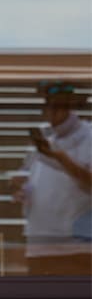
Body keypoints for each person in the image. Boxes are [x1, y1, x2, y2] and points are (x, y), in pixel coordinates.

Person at [12, 80, 92, 275]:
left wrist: (60, 158)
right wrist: (19, 188)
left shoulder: (89, 136)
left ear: (73, 104)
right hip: (39, 245)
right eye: (49, 103)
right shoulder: (44, 137)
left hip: (76, 247)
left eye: (60, 103)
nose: (53, 109)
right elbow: (29, 178)